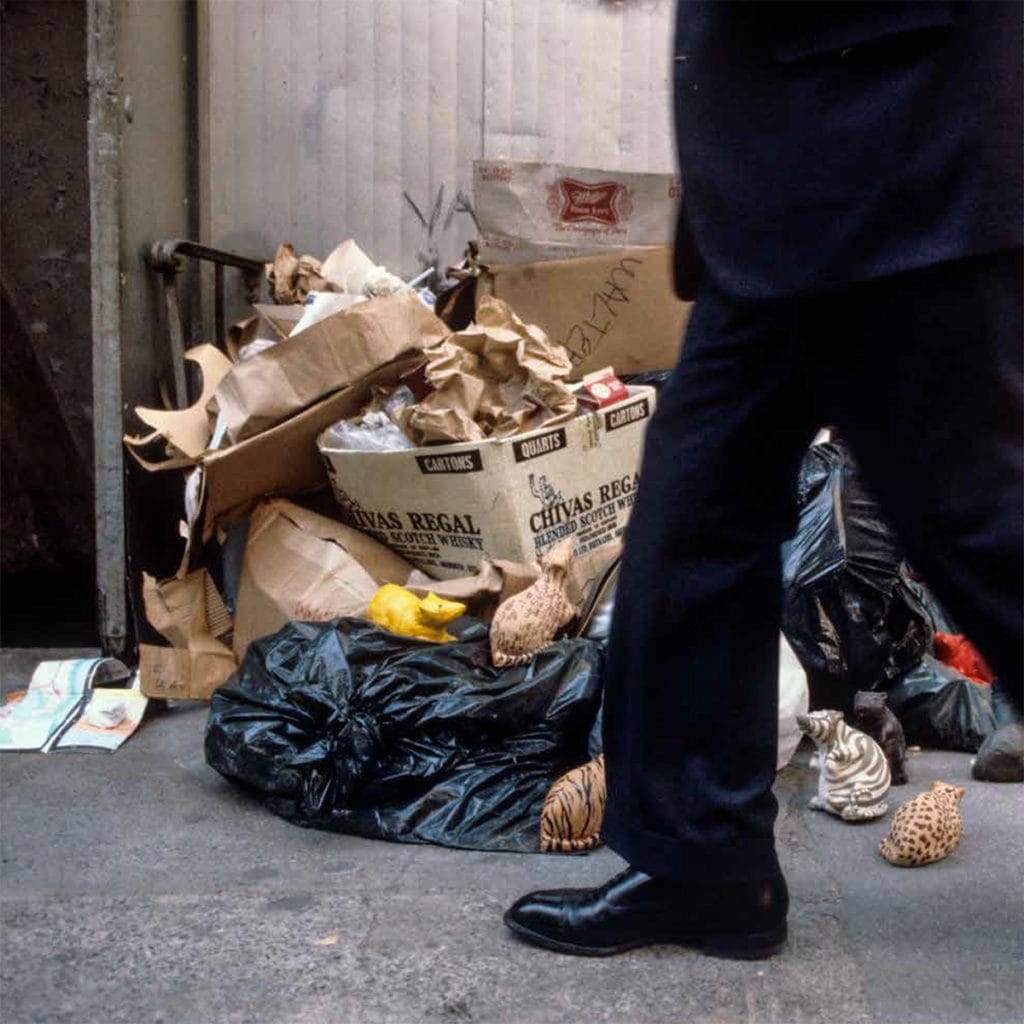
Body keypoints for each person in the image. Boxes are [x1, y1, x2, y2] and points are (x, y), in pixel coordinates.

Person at [504, 0, 1022, 959]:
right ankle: (705, 869)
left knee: (977, 517)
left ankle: (702, 863)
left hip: (889, 139)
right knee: (692, 512)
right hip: (786, 174)